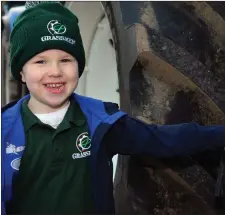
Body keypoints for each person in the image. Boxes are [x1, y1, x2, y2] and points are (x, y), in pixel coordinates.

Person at [1, 2, 225, 215]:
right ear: (21, 72)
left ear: (79, 66)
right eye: (41, 62)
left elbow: (161, 139)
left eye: (66, 60)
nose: (55, 71)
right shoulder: (5, 129)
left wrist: (217, 134)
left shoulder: (101, 121)